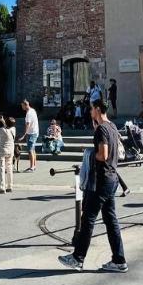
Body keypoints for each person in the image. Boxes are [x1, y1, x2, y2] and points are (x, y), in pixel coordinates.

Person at [59, 101, 127, 272]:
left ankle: (77, 258)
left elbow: (103, 155)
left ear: (97, 109)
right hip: (112, 178)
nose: (89, 112)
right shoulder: (112, 126)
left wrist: (90, 155)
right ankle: (119, 260)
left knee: (88, 218)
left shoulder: (102, 129)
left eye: (91, 109)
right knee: (111, 220)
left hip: (101, 180)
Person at [0, 115, 16, 193]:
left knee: (1, 169)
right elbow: (8, 126)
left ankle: (2, 187)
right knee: (9, 168)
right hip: (10, 151)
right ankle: (10, 186)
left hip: (2, 151)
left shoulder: (2, 130)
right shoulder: (13, 129)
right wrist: (4, 121)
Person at [21, 99, 40, 173]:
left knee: (30, 150)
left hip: (31, 133)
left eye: (22, 106)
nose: (22, 107)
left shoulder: (28, 113)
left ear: (25, 105)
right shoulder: (33, 110)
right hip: (35, 132)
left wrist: (24, 134)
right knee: (33, 149)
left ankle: (32, 167)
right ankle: (34, 166)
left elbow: (27, 124)